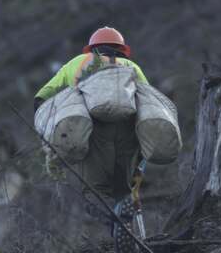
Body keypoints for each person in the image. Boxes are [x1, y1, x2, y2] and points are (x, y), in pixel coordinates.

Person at [34, 27, 148, 252]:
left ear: (92, 47)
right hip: (128, 131)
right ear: (121, 48)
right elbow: (148, 102)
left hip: (95, 131)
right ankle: (128, 241)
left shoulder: (79, 62)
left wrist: (51, 125)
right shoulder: (132, 67)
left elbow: (42, 96)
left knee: (93, 193)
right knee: (123, 190)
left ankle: (117, 225)